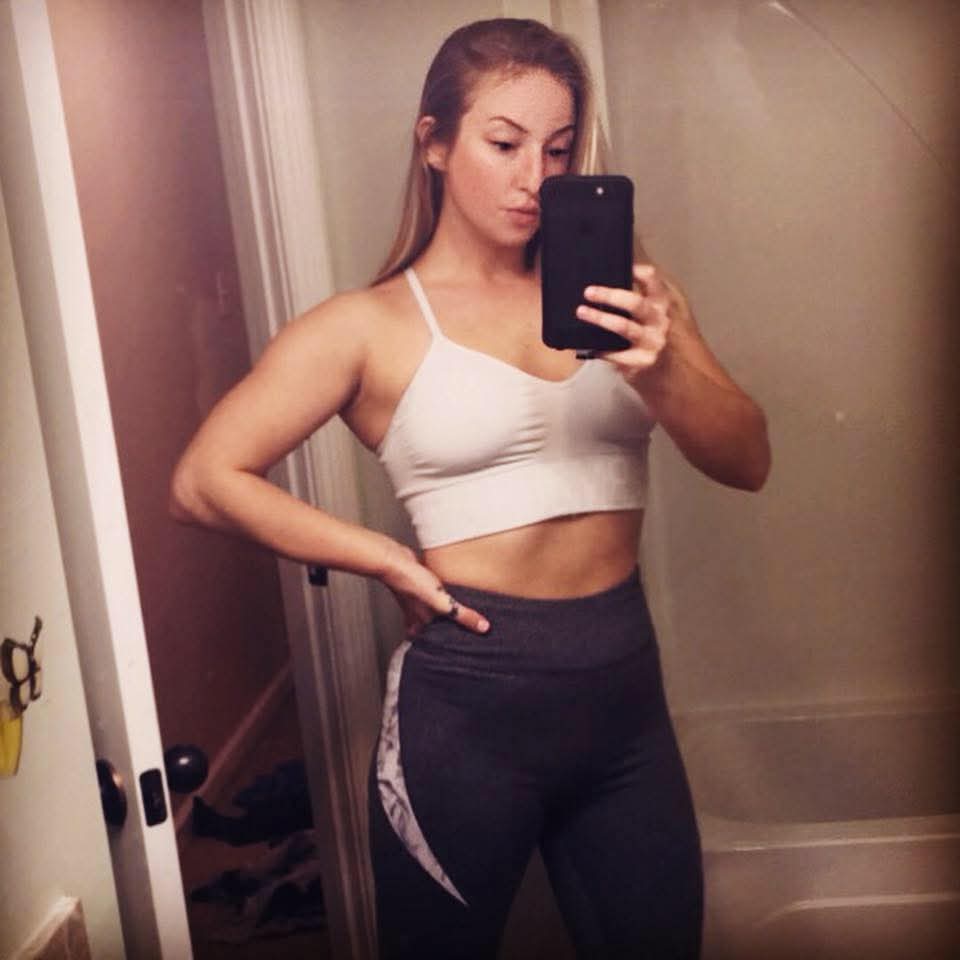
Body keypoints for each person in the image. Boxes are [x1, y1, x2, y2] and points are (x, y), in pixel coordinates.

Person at [170, 17, 770, 959]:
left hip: (624, 708)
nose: (536, 177)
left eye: (559, 149)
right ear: (435, 143)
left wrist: (661, 369)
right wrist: (383, 559)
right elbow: (204, 480)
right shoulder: (366, 326)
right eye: (504, 143)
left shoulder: (634, 299)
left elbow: (748, 459)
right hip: (466, 717)